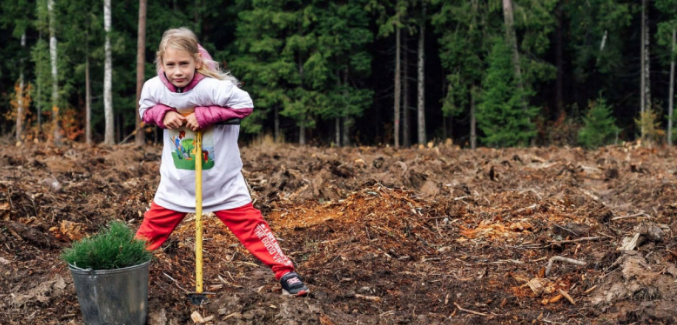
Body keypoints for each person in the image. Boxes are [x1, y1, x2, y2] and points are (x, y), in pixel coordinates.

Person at [136, 27, 309, 296]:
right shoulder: (154, 87)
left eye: (184, 63)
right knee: (147, 236)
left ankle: (285, 272)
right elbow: (144, 108)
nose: (178, 71)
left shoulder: (214, 88)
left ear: (196, 60)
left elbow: (245, 105)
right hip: (177, 183)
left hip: (222, 183)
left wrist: (205, 115)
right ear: (161, 63)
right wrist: (162, 113)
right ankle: (118, 272)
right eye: (170, 65)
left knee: (254, 229)